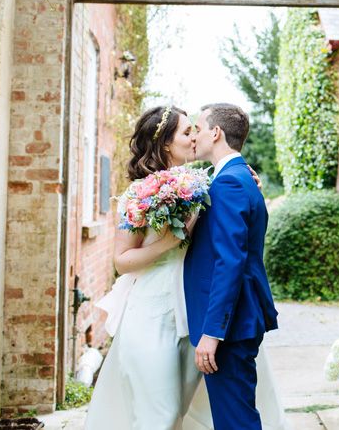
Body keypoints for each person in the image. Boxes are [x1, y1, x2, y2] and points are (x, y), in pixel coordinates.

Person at [84, 105, 287, 430]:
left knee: (197, 413)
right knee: (160, 413)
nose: (195, 137)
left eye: (197, 130)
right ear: (166, 142)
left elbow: (229, 230)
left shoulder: (207, 184)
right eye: (187, 132)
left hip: (196, 314)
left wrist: (243, 175)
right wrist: (171, 240)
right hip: (156, 311)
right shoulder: (139, 194)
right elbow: (122, 260)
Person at [184, 103, 280, 430]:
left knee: (235, 422)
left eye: (198, 128)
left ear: (216, 132)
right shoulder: (237, 177)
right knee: (235, 417)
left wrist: (212, 332)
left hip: (231, 325)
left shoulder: (231, 183)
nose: (194, 136)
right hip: (239, 320)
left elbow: (230, 261)